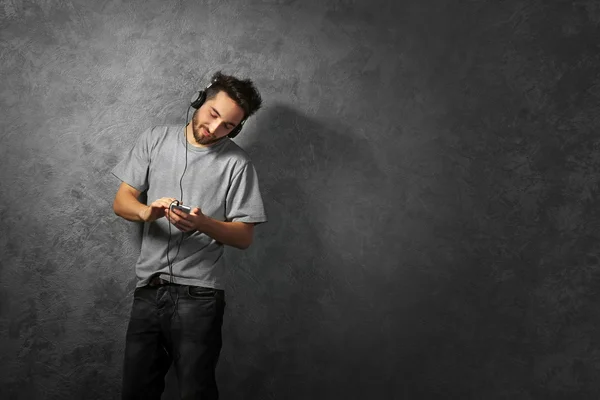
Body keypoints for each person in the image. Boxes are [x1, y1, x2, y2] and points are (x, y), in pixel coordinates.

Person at [111, 71, 267, 399]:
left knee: (195, 393)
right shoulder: (154, 139)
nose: (214, 129)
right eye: (213, 115)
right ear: (200, 100)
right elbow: (121, 201)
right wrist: (147, 212)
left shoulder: (238, 163)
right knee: (136, 392)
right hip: (148, 291)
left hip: (201, 296)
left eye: (228, 126)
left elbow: (244, 237)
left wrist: (203, 223)